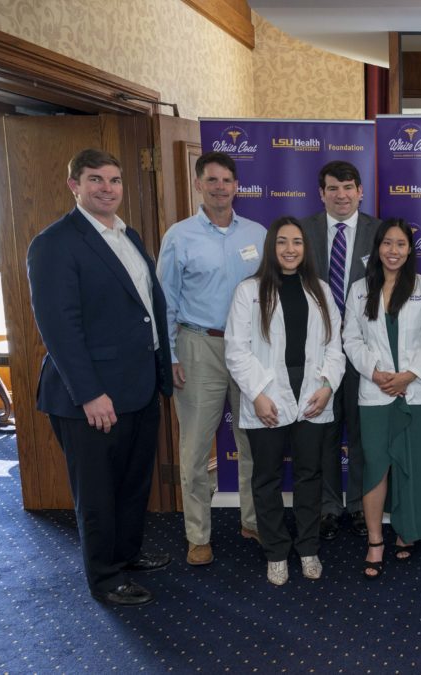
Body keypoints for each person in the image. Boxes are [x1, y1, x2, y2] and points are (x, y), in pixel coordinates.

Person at [27, 148, 173, 607]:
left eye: (113, 180)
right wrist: (90, 394)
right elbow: (59, 328)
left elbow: (146, 311)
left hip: (139, 387)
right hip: (90, 398)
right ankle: (105, 578)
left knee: (133, 482)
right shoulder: (55, 243)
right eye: (95, 180)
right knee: (97, 494)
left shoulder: (127, 236)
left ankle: (127, 553)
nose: (107, 188)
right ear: (74, 185)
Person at [156, 151, 267, 566]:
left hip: (250, 348)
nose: (220, 187)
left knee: (252, 442)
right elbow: (164, 300)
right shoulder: (179, 236)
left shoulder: (257, 234)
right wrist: (169, 356)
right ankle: (197, 534)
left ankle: (253, 521)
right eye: (211, 180)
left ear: (237, 186)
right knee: (197, 446)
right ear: (198, 184)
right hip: (198, 345)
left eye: (227, 180)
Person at [224, 217, 345, 585]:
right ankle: (276, 551)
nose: (290, 249)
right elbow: (236, 349)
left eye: (296, 242)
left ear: (306, 249)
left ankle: (307, 547)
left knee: (311, 476)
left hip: (312, 394)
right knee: (267, 478)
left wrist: (326, 386)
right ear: (271, 248)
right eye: (282, 242)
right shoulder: (249, 290)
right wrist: (258, 394)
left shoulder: (321, 290)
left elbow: (334, 347)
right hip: (267, 394)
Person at [343, 218, 421, 578]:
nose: (393, 251)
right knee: (375, 467)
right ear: (377, 248)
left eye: (401, 244)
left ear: (410, 250)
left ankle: (408, 530)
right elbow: (351, 339)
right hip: (375, 393)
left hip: (417, 393)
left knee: (414, 464)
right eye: (387, 243)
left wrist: (408, 376)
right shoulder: (358, 290)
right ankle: (375, 540)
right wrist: (375, 372)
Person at [301, 161, 383, 541]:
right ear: (321, 193)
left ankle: (359, 506)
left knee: (363, 435)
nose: (341, 195)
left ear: (360, 190)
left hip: (367, 353)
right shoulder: (302, 232)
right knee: (325, 435)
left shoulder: (379, 232)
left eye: (348, 187)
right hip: (318, 354)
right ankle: (330, 507)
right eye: (332, 188)